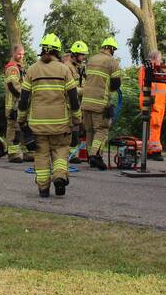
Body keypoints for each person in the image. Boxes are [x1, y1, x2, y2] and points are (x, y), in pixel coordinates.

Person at [17, 33, 82, 197]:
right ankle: (59, 176)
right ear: (57, 51)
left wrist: (21, 119)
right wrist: (77, 119)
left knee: (41, 155)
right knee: (60, 151)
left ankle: (43, 188)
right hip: (60, 124)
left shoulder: (32, 70)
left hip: (37, 125)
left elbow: (24, 99)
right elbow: (74, 98)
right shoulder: (64, 70)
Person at [80, 36, 122, 170]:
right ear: (111, 49)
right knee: (102, 130)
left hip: (86, 101)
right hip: (100, 102)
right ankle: (94, 156)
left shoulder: (92, 59)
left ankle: (90, 157)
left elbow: (87, 77)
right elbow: (116, 84)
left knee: (89, 130)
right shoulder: (112, 62)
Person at [138, 50, 166, 159]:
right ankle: (154, 151)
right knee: (153, 128)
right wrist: (150, 100)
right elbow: (145, 85)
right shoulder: (147, 69)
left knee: (155, 128)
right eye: (160, 58)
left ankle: (151, 150)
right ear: (155, 58)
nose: (161, 60)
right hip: (153, 104)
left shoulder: (156, 69)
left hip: (157, 104)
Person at [3, 44, 28, 163]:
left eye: (23, 54)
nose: (21, 56)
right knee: (13, 129)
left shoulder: (19, 66)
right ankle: (13, 154)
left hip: (18, 103)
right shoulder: (12, 67)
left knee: (21, 128)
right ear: (13, 53)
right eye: (19, 54)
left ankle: (24, 151)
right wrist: (25, 96)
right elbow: (13, 86)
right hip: (13, 104)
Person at [66, 41, 89, 162]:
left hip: (79, 103)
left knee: (77, 129)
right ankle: (70, 154)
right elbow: (70, 88)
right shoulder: (67, 67)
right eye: (82, 54)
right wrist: (86, 91)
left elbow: (86, 81)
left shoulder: (82, 67)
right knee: (70, 129)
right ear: (74, 54)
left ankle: (73, 154)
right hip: (69, 104)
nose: (84, 57)